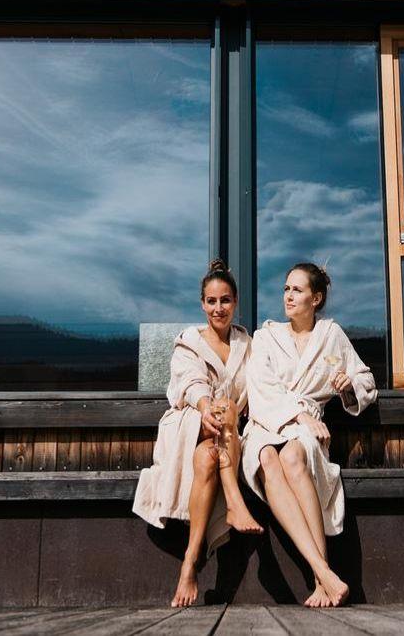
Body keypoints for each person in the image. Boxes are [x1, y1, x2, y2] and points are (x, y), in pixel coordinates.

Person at [240, 261, 378, 608]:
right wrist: (299, 414)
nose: (288, 296)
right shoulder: (266, 336)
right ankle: (324, 573)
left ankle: (320, 579)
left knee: (292, 455)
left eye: (297, 290)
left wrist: (348, 385)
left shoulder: (331, 336)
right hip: (268, 422)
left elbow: (366, 380)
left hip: (307, 427)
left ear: (316, 298)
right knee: (267, 456)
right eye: (286, 289)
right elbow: (260, 387)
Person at [132, 259, 262, 607]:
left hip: (226, 437)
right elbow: (190, 382)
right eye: (211, 301)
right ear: (202, 304)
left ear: (236, 302)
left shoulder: (247, 344)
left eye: (225, 300)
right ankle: (234, 502)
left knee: (209, 454)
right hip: (191, 424)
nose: (219, 308)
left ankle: (189, 563)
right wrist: (206, 407)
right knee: (222, 406)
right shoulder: (189, 342)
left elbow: (259, 387)